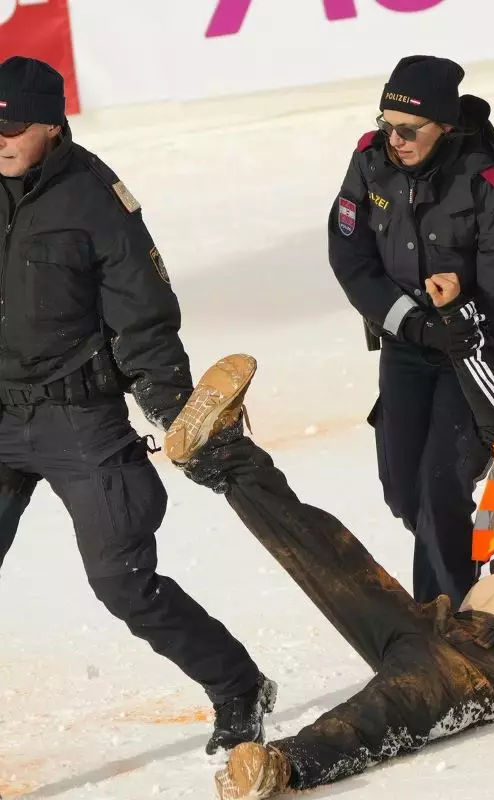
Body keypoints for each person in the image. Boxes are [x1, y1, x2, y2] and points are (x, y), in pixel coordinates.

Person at [163, 271, 494, 799]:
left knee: (383, 711)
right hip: (439, 621)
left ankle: (279, 768)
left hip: (483, 666)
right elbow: (483, 386)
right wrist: (456, 315)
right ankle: (225, 455)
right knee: (327, 556)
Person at [0, 56, 274, 754]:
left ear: (53, 127)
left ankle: (237, 684)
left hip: (77, 418)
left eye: (15, 128)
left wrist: (176, 410)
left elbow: (144, 316)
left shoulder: (96, 200)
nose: (0, 139)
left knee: (123, 582)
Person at [328, 54, 494, 607]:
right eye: (385, 124)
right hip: (407, 341)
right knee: (403, 491)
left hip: (472, 354)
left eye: (407, 129)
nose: (392, 139)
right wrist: (411, 323)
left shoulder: (493, 184)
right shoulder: (370, 162)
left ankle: (445, 622)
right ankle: (486, 559)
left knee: (438, 487)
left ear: (444, 126)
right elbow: (351, 258)